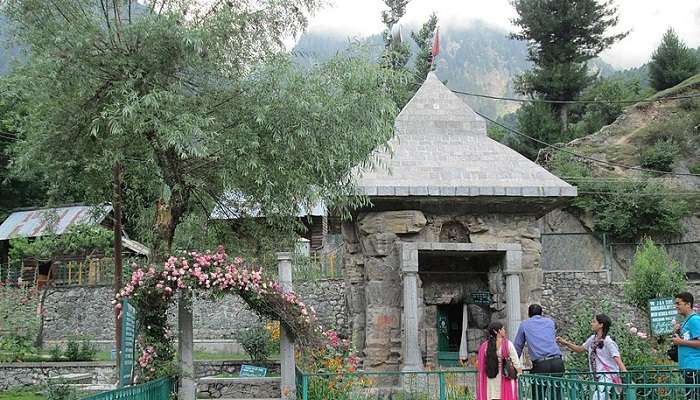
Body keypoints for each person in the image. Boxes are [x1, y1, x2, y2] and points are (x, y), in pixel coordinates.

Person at [557, 314, 627, 400]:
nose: (591, 323)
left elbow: (616, 358)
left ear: (601, 325)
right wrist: (566, 343)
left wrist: (625, 372)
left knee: (597, 397)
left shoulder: (608, 342)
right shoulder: (592, 339)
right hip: (597, 375)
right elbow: (580, 349)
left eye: (594, 322)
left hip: (607, 375)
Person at [514, 304, 565, 400]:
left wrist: (514, 364)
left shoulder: (524, 325)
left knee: (538, 395)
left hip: (541, 364)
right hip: (558, 362)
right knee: (557, 395)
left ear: (529, 314)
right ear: (541, 313)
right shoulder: (550, 322)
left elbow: (518, 346)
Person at [477, 321, 523, 400]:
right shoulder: (508, 344)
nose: (504, 330)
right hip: (505, 378)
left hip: (489, 380)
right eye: (502, 329)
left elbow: (479, 364)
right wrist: (519, 373)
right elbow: (516, 363)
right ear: (496, 331)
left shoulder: (484, 346)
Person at [672, 292, 700, 400]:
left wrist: (680, 342)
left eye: (678, 303)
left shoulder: (694, 320)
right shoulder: (686, 321)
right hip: (689, 367)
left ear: (688, 304)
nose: (676, 306)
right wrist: (677, 333)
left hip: (694, 367)